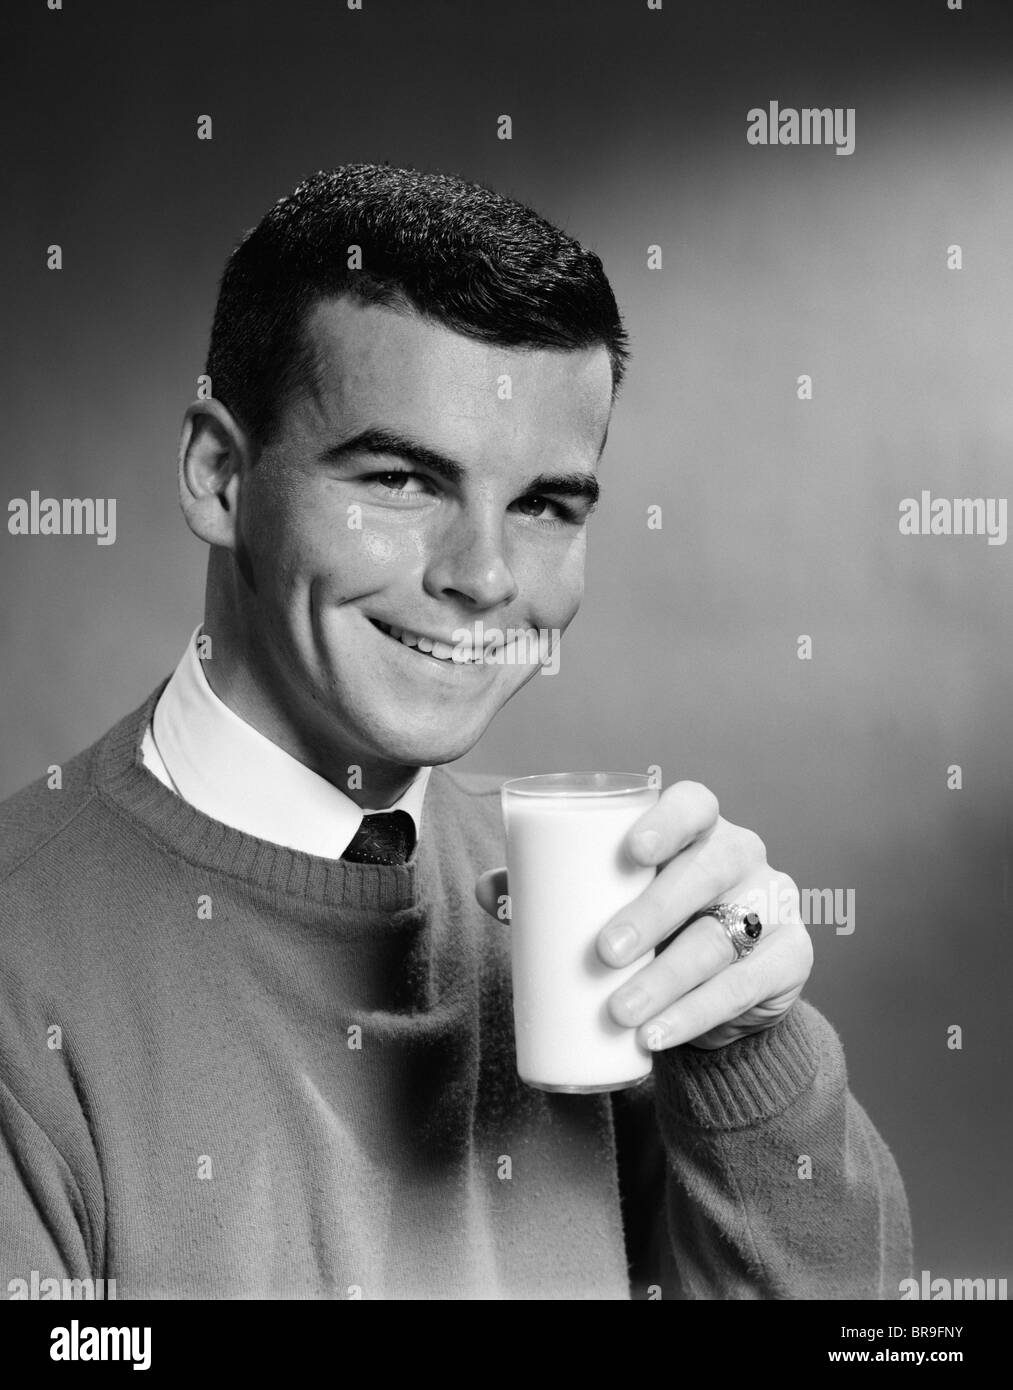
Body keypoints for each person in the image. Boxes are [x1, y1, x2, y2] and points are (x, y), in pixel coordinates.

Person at [0, 163, 910, 1300]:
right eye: (399, 479)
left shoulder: (612, 930)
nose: (483, 576)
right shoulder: (23, 959)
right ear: (220, 475)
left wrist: (748, 1055)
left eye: (541, 504)